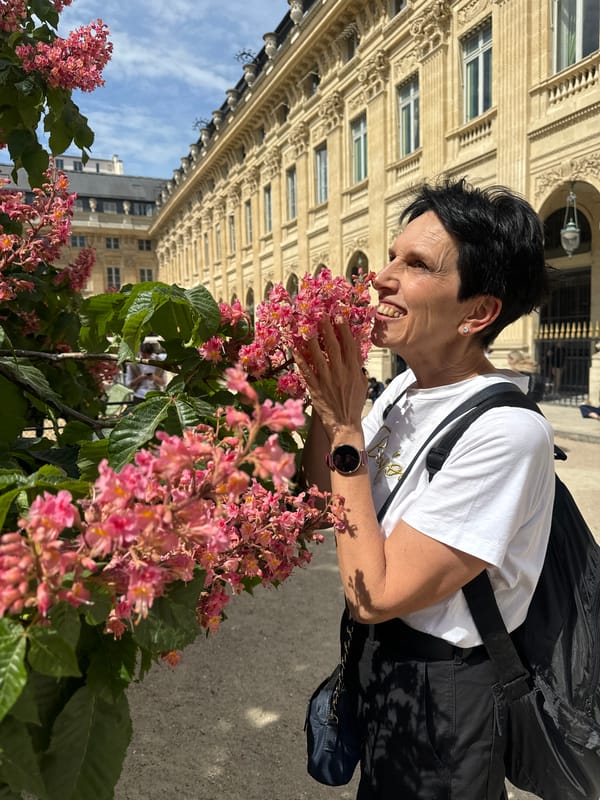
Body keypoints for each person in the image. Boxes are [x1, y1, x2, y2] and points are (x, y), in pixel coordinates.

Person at [294, 178, 555, 799]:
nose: (381, 278)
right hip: (380, 667)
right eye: (392, 256)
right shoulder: (401, 392)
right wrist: (324, 392)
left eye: (416, 265)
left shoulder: (508, 433)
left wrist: (346, 427)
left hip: (446, 695)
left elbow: (377, 594)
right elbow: (325, 500)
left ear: (477, 313)